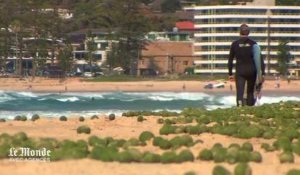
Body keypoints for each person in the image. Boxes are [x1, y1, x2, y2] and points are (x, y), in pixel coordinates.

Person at [228, 24, 265, 106]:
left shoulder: (235, 44)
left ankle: (240, 107)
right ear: (248, 32)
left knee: (240, 92)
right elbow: (260, 60)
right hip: (252, 71)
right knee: (250, 91)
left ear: (239, 32)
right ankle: (250, 107)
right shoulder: (254, 44)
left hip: (240, 71)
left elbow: (230, 59)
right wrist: (263, 73)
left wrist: (230, 73)